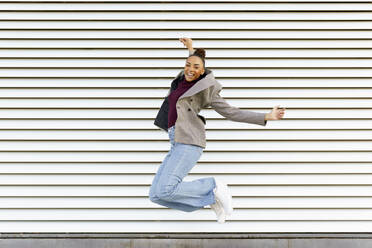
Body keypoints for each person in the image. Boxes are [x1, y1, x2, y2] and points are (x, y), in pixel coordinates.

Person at [148, 38, 285, 224]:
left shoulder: (208, 89)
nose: (190, 69)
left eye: (196, 67)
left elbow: (231, 112)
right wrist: (191, 50)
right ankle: (211, 199)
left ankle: (213, 186)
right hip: (176, 140)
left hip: (189, 142)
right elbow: (192, 64)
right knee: (156, 195)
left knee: (165, 189)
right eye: (187, 65)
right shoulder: (181, 81)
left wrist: (266, 116)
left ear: (203, 71)